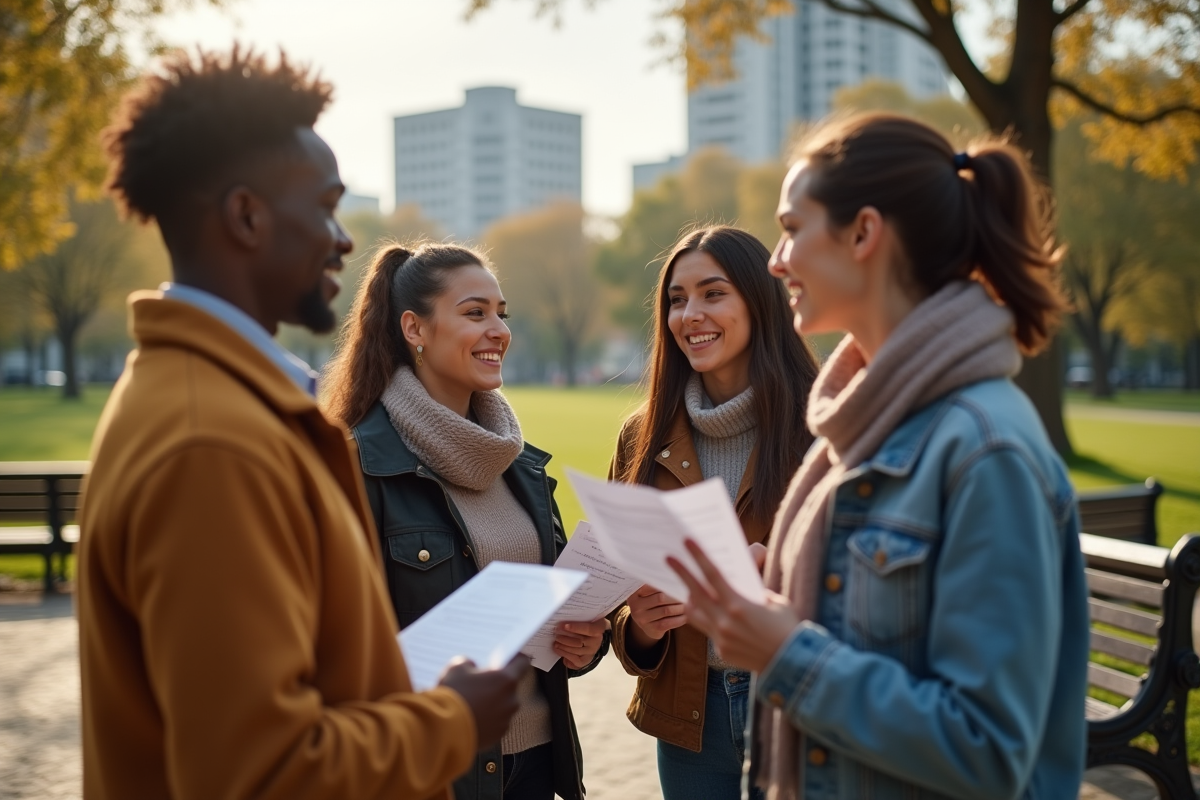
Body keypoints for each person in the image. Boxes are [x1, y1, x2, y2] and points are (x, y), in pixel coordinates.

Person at [78, 49, 527, 800]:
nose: (343, 239)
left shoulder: (214, 402)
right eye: (323, 206)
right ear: (247, 215)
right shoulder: (211, 444)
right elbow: (260, 772)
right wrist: (448, 720)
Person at [667, 113, 1090, 800]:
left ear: (863, 233)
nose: (777, 260)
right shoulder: (856, 424)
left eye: (792, 228)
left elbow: (989, 750)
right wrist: (773, 590)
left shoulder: (986, 451)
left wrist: (783, 652)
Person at [320, 242, 609, 800]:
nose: (498, 329)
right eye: (475, 313)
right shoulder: (359, 467)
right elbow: (340, 654)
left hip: (541, 767)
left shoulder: (522, 466)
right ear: (415, 328)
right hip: (435, 771)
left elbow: (555, 626)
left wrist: (583, 642)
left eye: (502, 313)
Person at [606, 225, 820, 800]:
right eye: (677, 300)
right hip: (688, 725)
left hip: (798, 707)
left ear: (760, 300)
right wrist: (644, 628)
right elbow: (621, 615)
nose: (690, 314)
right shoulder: (642, 436)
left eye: (713, 293)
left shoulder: (825, 425)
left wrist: (782, 574)